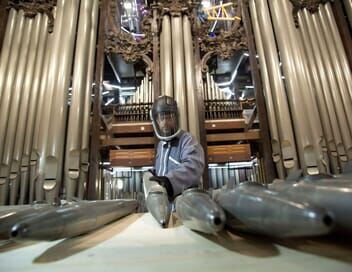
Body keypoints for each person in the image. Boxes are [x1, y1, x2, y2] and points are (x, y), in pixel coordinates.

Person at [149, 95, 205, 200]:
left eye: (169, 117)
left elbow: (193, 167)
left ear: (176, 118)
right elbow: (163, 171)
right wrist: (153, 174)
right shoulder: (161, 146)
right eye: (161, 118)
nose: (165, 123)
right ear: (156, 121)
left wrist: (170, 182)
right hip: (166, 206)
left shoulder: (187, 140)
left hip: (186, 205)